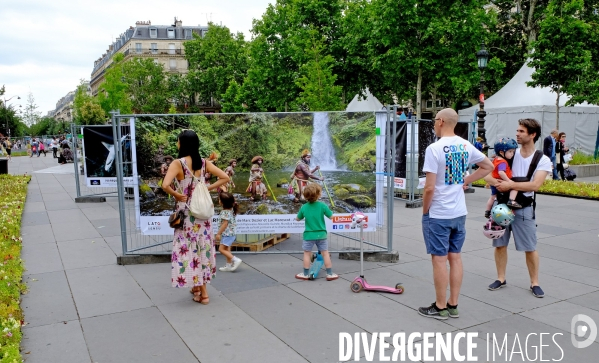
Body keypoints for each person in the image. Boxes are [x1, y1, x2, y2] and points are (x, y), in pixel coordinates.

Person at [419, 108, 493, 320]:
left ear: (441, 121)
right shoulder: (465, 145)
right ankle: (453, 305)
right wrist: (466, 181)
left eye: (435, 120)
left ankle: (440, 306)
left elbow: (429, 188)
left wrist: (425, 210)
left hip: (439, 213)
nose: (434, 124)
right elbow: (487, 165)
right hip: (459, 212)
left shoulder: (434, 149)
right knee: (456, 258)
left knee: (440, 260)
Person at [485, 118, 552, 298]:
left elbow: (535, 185)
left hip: (524, 208)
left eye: (521, 131)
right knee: (499, 244)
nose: (517, 134)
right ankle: (500, 278)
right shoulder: (508, 154)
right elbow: (487, 176)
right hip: (502, 207)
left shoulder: (542, 159)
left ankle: (535, 282)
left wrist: (509, 185)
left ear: (532, 134)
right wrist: (498, 184)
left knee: (530, 247)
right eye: (517, 130)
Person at [162, 130, 229, 304]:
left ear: (181, 144)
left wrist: (177, 195)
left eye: (178, 141)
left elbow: (165, 185)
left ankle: (204, 294)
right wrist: (208, 188)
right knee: (202, 249)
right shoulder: (204, 163)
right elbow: (225, 177)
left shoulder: (178, 163)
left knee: (190, 250)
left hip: (187, 215)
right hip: (203, 214)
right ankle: (197, 287)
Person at [294, 183, 338, 281]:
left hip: (309, 235)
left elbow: (298, 218)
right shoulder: (322, 206)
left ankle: (305, 274)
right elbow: (331, 217)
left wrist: (297, 217)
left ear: (305, 196)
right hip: (322, 234)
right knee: (325, 253)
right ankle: (330, 274)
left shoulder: (304, 207)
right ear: (319, 195)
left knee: (306, 253)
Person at [484, 138, 521, 218]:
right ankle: (511, 200)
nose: (512, 154)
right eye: (510, 152)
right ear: (501, 152)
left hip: (494, 183)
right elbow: (501, 172)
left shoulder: (495, 159)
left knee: (492, 197)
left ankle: (487, 211)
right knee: (515, 187)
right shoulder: (503, 162)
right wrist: (508, 181)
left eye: (513, 152)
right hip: (501, 182)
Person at [216, 192, 242, 272]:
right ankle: (228, 265)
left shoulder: (225, 212)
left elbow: (225, 224)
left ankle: (235, 260)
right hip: (231, 234)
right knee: (227, 249)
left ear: (222, 202)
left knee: (221, 249)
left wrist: (218, 233)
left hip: (227, 234)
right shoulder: (230, 209)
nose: (218, 200)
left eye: (219, 199)